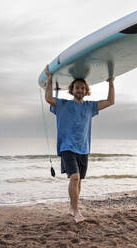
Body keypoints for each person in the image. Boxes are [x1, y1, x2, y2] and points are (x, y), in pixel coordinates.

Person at [44, 65, 115, 223]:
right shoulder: (63, 104)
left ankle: (71, 207)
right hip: (67, 147)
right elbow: (48, 98)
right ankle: (76, 211)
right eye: (77, 87)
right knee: (74, 177)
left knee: (79, 180)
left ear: (86, 90)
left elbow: (110, 101)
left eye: (83, 88)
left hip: (83, 148)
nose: (80, 90)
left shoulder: (89, 106)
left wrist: (111, 83)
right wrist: (49, 79)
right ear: (72, 89)